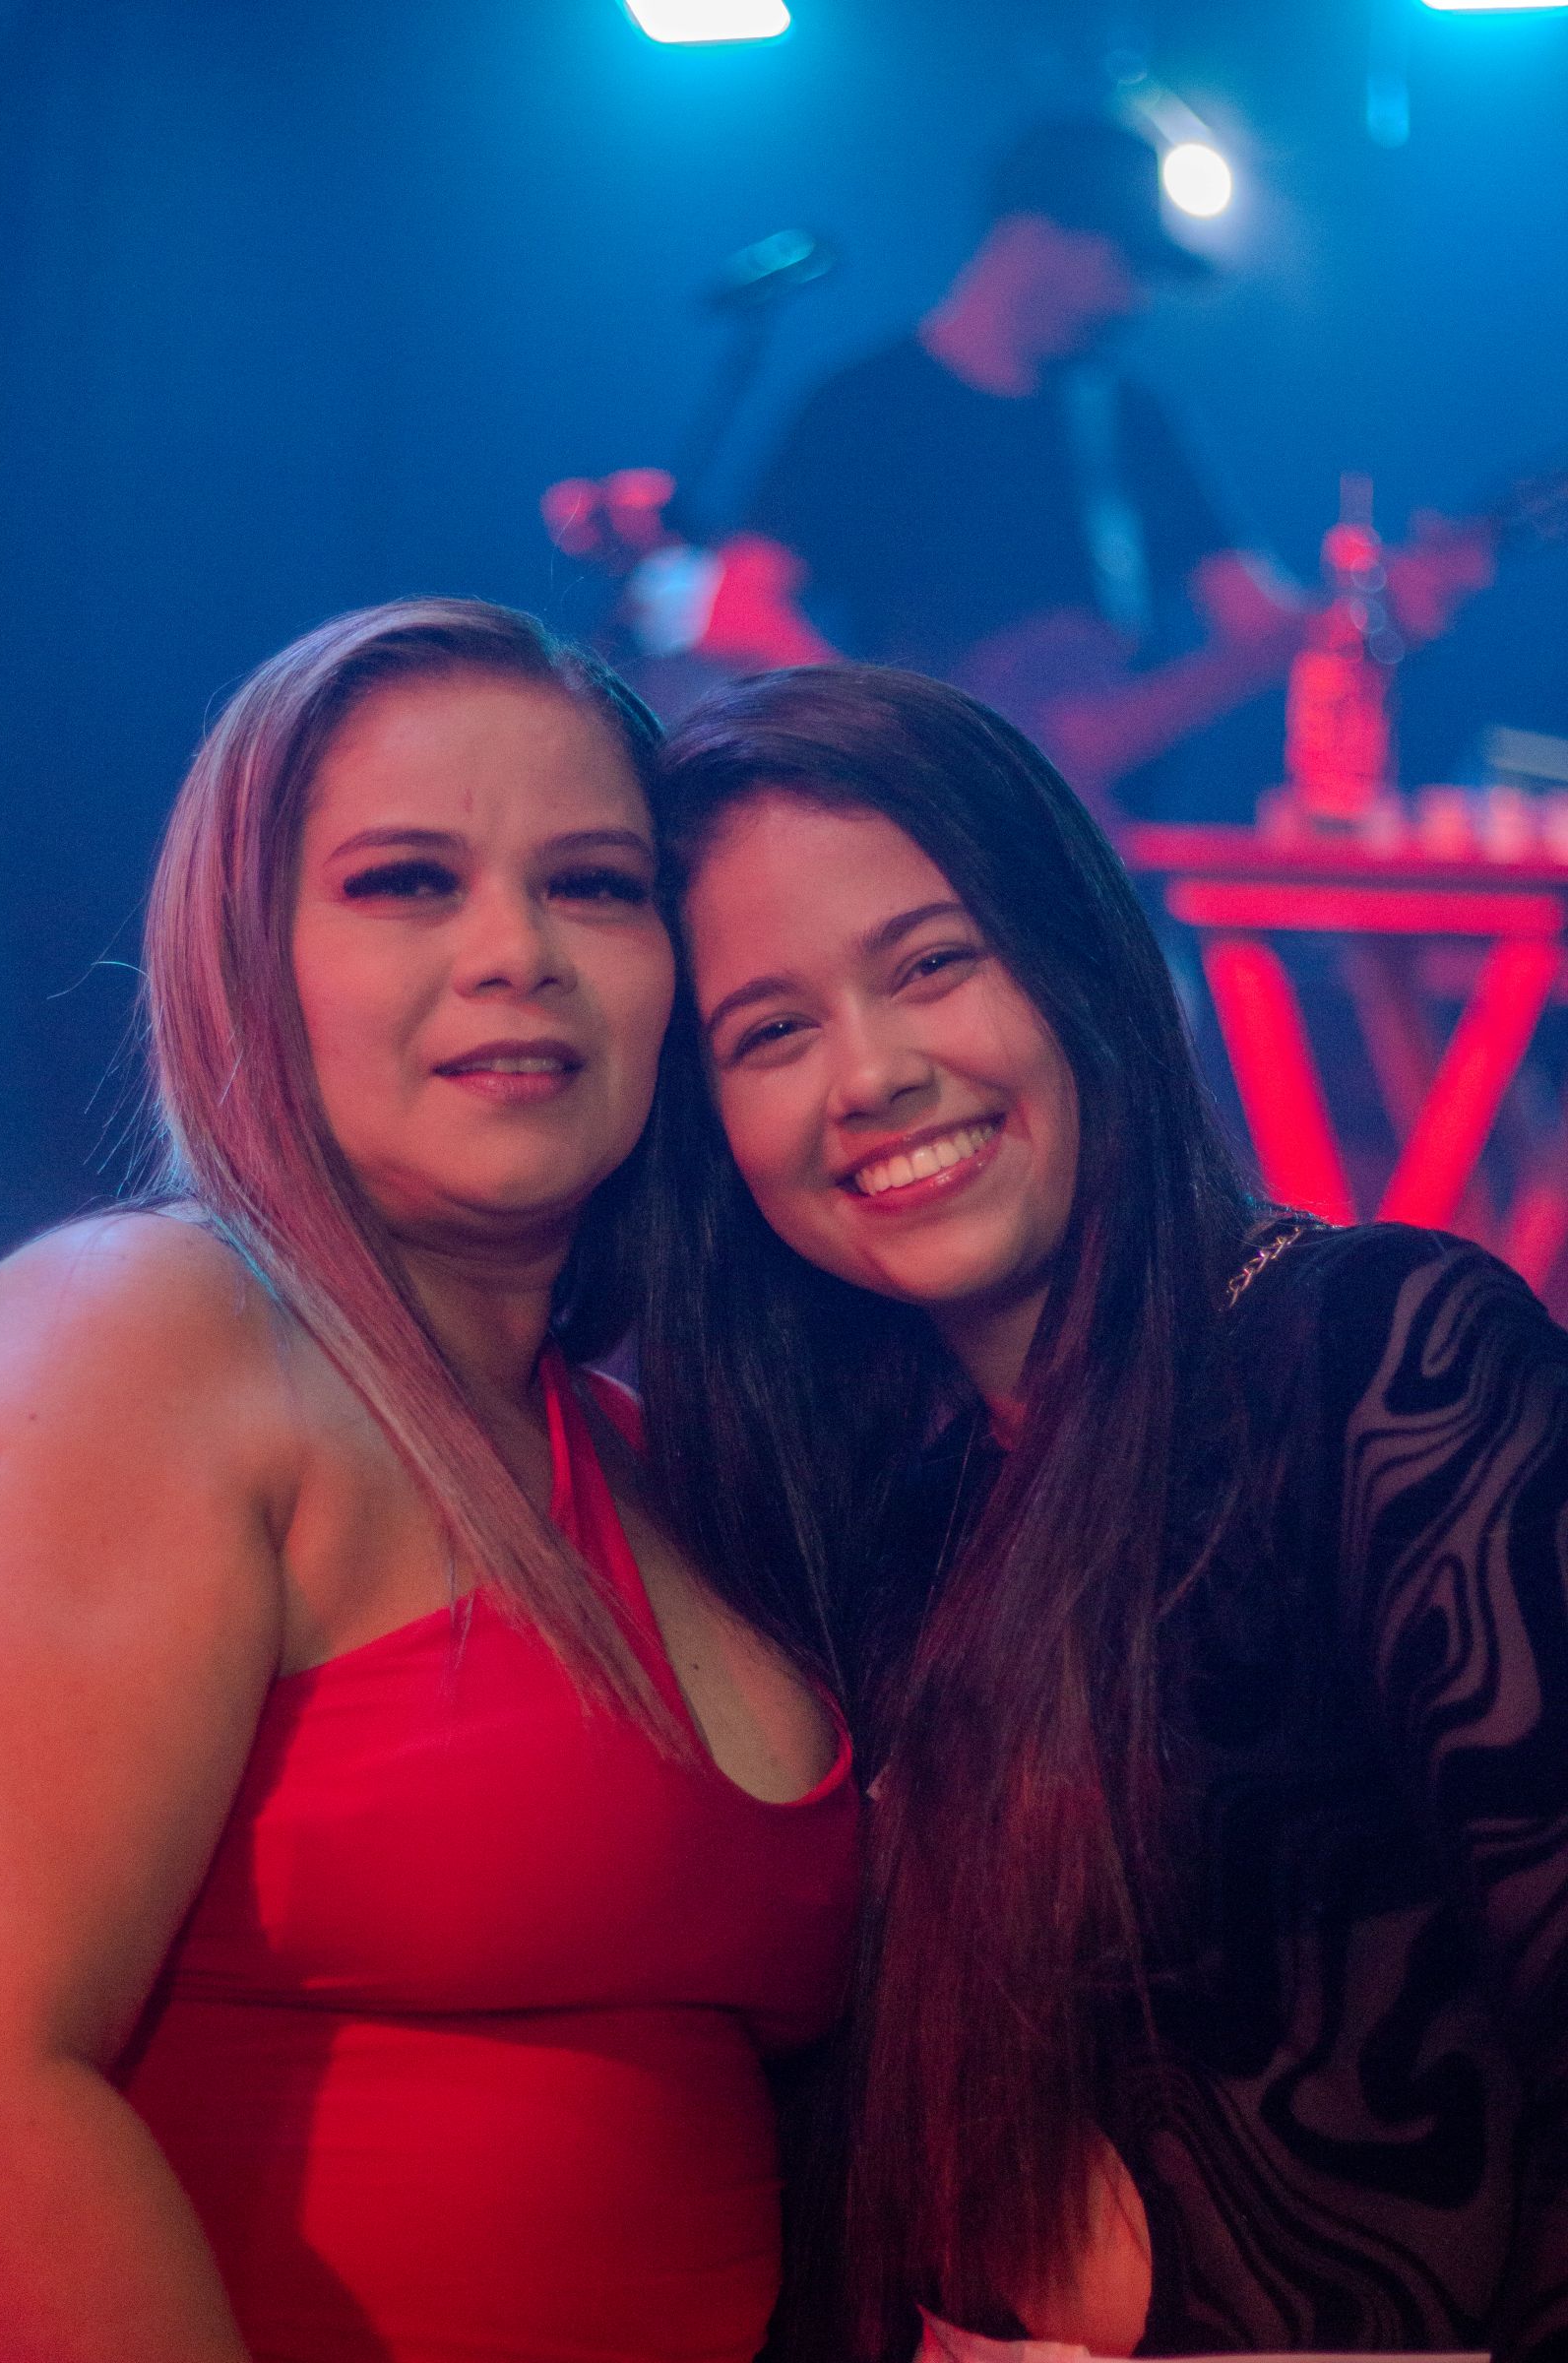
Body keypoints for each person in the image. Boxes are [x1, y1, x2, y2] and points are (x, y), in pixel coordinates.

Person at [634, 662, 1568, 2362]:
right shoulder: (856, 1515)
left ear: (1072, 954)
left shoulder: (1380, 1363)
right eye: (769, 1032)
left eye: (931, 965)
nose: (870, 1074)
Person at [0, 600, 859, 2363]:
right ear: (249, 955)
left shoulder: (654, 1451)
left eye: (596, 884)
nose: (515, 952)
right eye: (406, 882)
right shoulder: (153, 1328)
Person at [725, 116, 1489, 823]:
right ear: (1034, 237)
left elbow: (1258, 624)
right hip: (925, 829)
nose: (1134, 301)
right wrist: (896, 747)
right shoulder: (864, 405)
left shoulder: (1133, 421)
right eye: (1122, 265)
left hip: (1105, 849)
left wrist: (1377, 612)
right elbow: (737, 604)